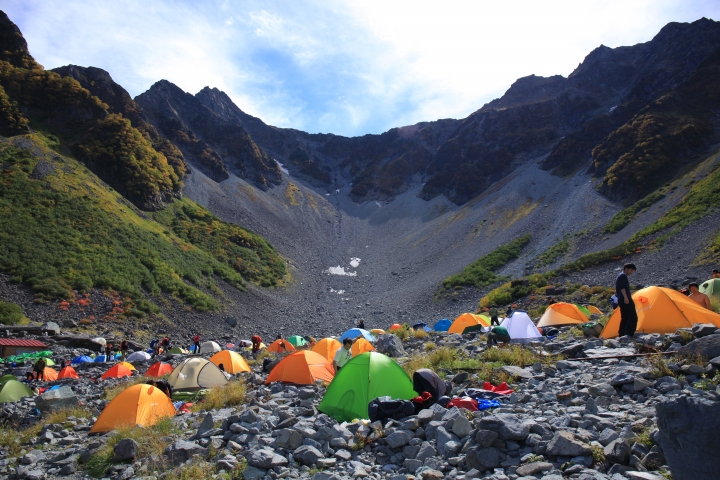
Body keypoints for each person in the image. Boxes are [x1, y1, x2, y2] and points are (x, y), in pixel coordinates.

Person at [616, 263, 638, 337]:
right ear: (626, 269)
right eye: (631, 270)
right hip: (625, 298)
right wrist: (626, 297)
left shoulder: (619, 276)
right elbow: (622, 288)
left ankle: (622, 334)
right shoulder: (623, 276)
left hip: (620, 298)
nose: (631, 272)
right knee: (632, 316)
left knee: (625, 317)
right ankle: (629, 333)